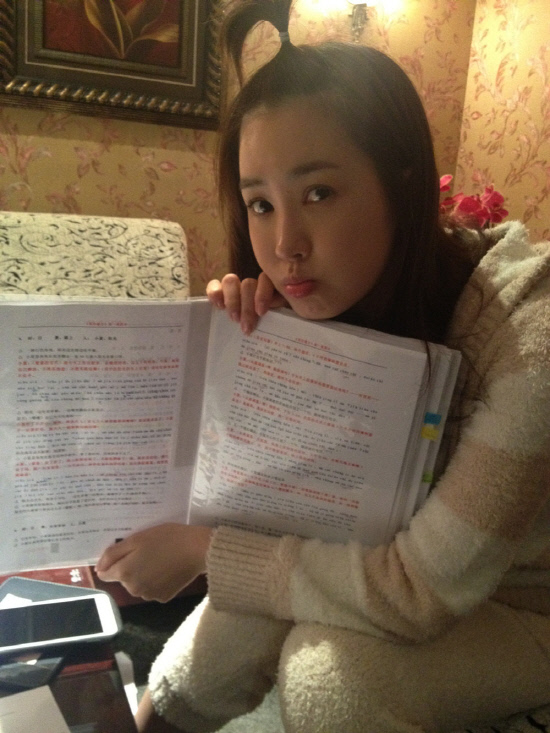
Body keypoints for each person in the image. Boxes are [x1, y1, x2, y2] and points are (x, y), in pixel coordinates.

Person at [95, 1, 550, 731]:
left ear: (403, 184)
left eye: (318, 193)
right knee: (243, 613)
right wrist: (261, 356)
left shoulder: (529, 335)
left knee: (329, 674)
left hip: (525, 605)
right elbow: (292, 523)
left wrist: (205, 550)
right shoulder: (353, 292)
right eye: (260, 204)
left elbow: (418, 590)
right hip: (400, 565)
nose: (285, 246)